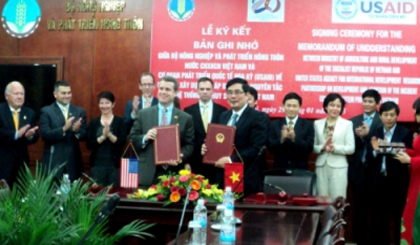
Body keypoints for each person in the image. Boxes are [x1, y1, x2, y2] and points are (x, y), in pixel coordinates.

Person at [202, 78, 268, 194]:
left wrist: (230, 160)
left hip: (244, 178)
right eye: (229, 92)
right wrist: (207, 149)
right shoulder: (223, 116)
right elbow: (219, 141)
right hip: (221, 177)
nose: (233, 96)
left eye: (237, 92)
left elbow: (257, 148)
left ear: (247, 95)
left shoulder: (258, 117)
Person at [129, 76, 194, 187]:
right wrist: (145, 137)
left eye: (168, 89)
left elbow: (190, 145)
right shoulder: (144, 114)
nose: (163, 92)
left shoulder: (185, 118)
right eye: (161, 88)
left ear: (176, 93)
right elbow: (131, 138)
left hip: (174, 174)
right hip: (148, 173)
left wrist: (180, 156)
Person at [367, 101, 413, 244]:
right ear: (380, 116)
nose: (388, 118)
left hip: (398, 183)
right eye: (385, 115)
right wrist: (375, 150)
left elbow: (404, 153)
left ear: (397, 116)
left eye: (392, 115)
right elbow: (369, 157)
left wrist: (383, 146)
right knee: (379, 219)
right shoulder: (375, 132)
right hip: (378, 182)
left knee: (398, 218)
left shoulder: (405, 133)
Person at [349, 89, 383, 245]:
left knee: (376, 210)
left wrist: (368, 135)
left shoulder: (383, 120)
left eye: (370, 101)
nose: (367, 104)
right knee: (359, 209)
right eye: (365, 101)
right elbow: (350, 146)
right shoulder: (353, 121)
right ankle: (359, 241)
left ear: (377, 104)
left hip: (376, 171)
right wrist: (359, 137)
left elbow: (382, 144)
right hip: (358, 170)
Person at [39, 80, 87, 182]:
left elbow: (85, 135)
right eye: (63, 93)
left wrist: (77, 131)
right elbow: (45, 135)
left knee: (72, 197)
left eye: (69, 93)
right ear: (55, 94)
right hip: (53, 163)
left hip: (73, 163)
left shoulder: (79, 111)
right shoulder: (46, 111)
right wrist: (63, 129)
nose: (67, 96)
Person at [184, 77, 227, 182]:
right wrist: (186, 161)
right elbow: (186, 138)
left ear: (213, 91)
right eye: (202, 89)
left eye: (208, 89)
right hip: (195, 160)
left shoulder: (222, 111)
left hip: (216, 162)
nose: (205, 92)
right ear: (197, 90)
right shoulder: (188, 111)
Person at [313, 93, 355, 199]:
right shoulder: (317, 124)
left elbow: (351, 148)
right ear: (326, 106)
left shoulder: (347, 124)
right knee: (321, 199)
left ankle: (338, 217)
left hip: (339, 167)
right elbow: (313, 146)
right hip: (321, 165)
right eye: (332, 105)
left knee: (337, 200)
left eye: (338, 106)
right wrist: (322, 147)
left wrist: (335, 148)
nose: (335, 108)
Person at [0, 81, 39, 186]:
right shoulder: (1, 110)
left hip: (21, 163)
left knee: (19, 196)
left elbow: (35, 135)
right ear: (6, 96)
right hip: (2, 162)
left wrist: (30, 136)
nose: (19, 97)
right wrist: (16, 134)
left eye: (22, 94)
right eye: (16, 94)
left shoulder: (30, 113)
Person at [86, 91, 126, 186]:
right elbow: (89, 145)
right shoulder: (94, 122)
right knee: (97, 196)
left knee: (114, 195)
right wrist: (102, 137)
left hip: (115, 167)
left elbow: (122, 143)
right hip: (97, 166)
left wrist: (109, 135)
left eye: (107, 103)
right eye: (101, 103)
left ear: (113, 104)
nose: (104, 106)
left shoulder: (120, 122)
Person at [268, 92, 314, 172]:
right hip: (279, 169)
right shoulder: (275, 124)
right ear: (283, 106)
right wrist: (281, 140)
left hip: (300, 170)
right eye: (288, 105)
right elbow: (271, 148)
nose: (291, 109)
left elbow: (309, 148)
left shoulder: (307, 125)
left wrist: (294, 139)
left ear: (300, 107)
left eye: (294, 106)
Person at [394, 104, 420, 245]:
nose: (418, 117)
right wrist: (403, 150)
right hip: (416, 180)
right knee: (410, 216)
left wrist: (410, 160)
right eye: (417, 113)